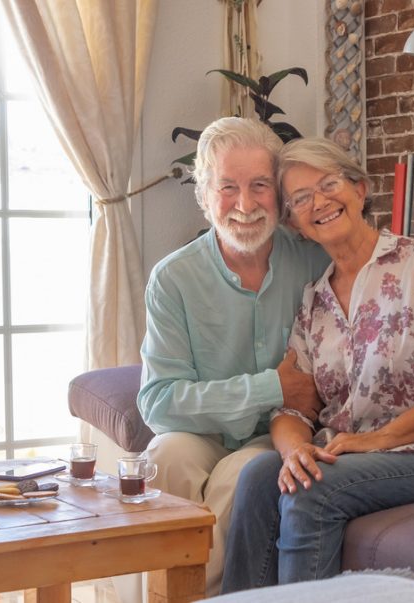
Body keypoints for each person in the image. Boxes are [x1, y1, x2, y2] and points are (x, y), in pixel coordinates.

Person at [221, 137, 414, 592]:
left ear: (359, 189)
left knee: (311, 489)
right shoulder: (313, 301)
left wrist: (374, 441)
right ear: (295, 223)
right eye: (300, 199)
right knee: (259, 475)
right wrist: (294, 450)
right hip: (356, 455)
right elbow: (294, 407)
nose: (319, 202)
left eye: (329, 184)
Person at [136, 117, 330, 597]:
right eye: (228, 188)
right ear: (204, 197)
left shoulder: (313, 261)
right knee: (164, 455)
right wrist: (272, 385)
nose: (245, 205)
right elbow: (158, 403)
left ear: (278, 194)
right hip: (202, 433)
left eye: (259, 186)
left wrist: (285, 400)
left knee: (240, 475)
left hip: (277, 433)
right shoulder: (173, 279)